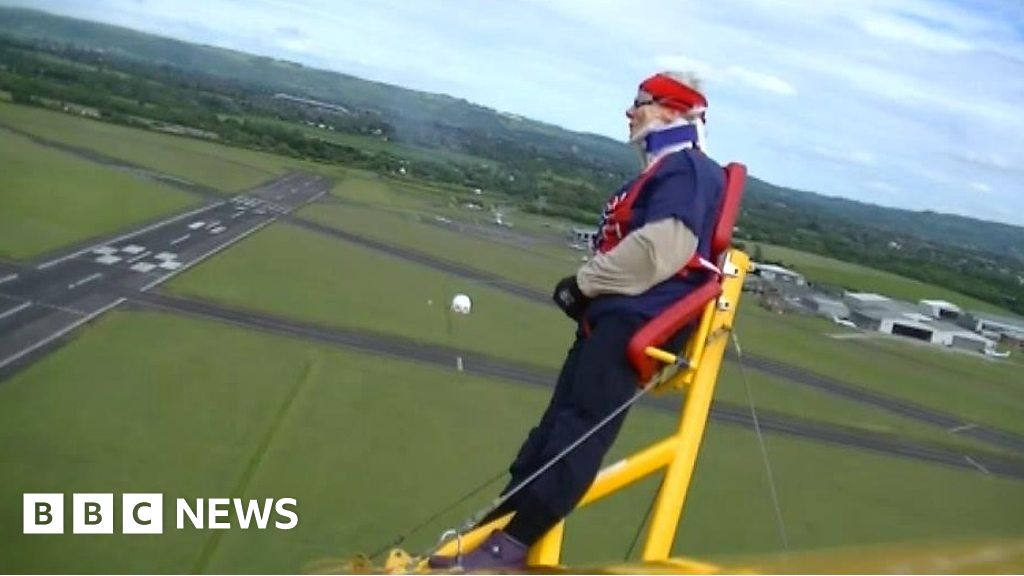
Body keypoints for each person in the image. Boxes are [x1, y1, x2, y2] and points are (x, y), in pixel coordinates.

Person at [430, 71, 726, 571]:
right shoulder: (667, 172)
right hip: (612, 319)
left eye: (641, 103)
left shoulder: (688, 171)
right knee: (553, 432)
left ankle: (509, 544)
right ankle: (497, 527)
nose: (629, 113)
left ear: (675, 112)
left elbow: (663, 249)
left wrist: (584, 283)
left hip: (633, 320)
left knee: (578, 433)